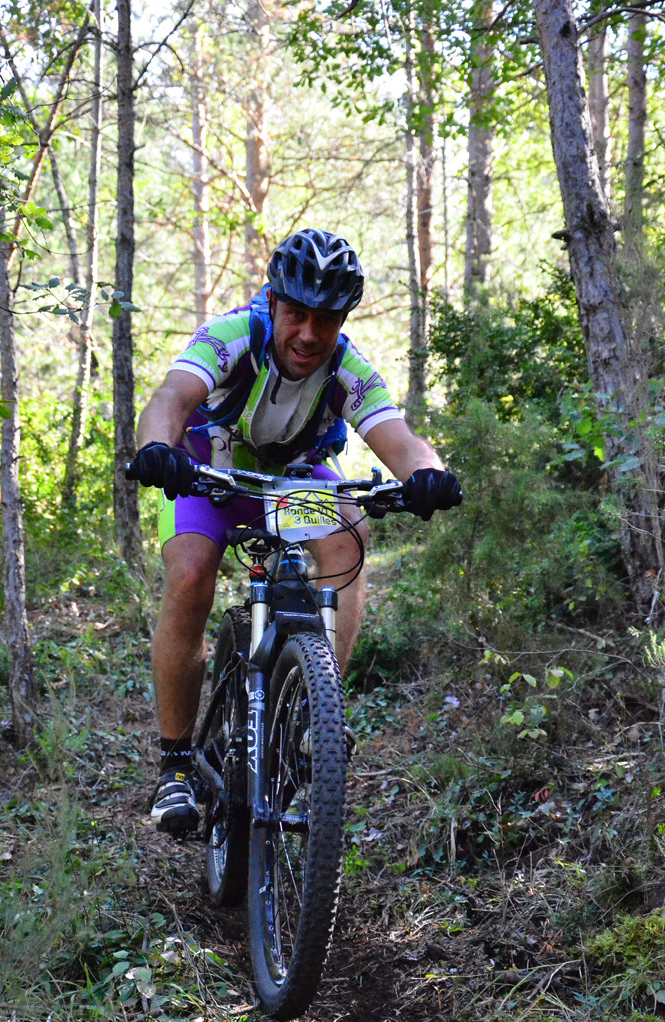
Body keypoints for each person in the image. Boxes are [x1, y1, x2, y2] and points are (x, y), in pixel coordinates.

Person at [132, 228, 462, 834]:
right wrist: (158, 448)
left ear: (342, 320)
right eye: (297, 314)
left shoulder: (345, 368)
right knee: (190, 574)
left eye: (326, 319)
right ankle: (175, 768)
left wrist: (430, 476)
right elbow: (171, 397)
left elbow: (401, 440)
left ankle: (317, 712)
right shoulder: (234, 336)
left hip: (289, 479)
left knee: (350, 533)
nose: (309, 334)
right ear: (274, 303)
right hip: (209, 468)